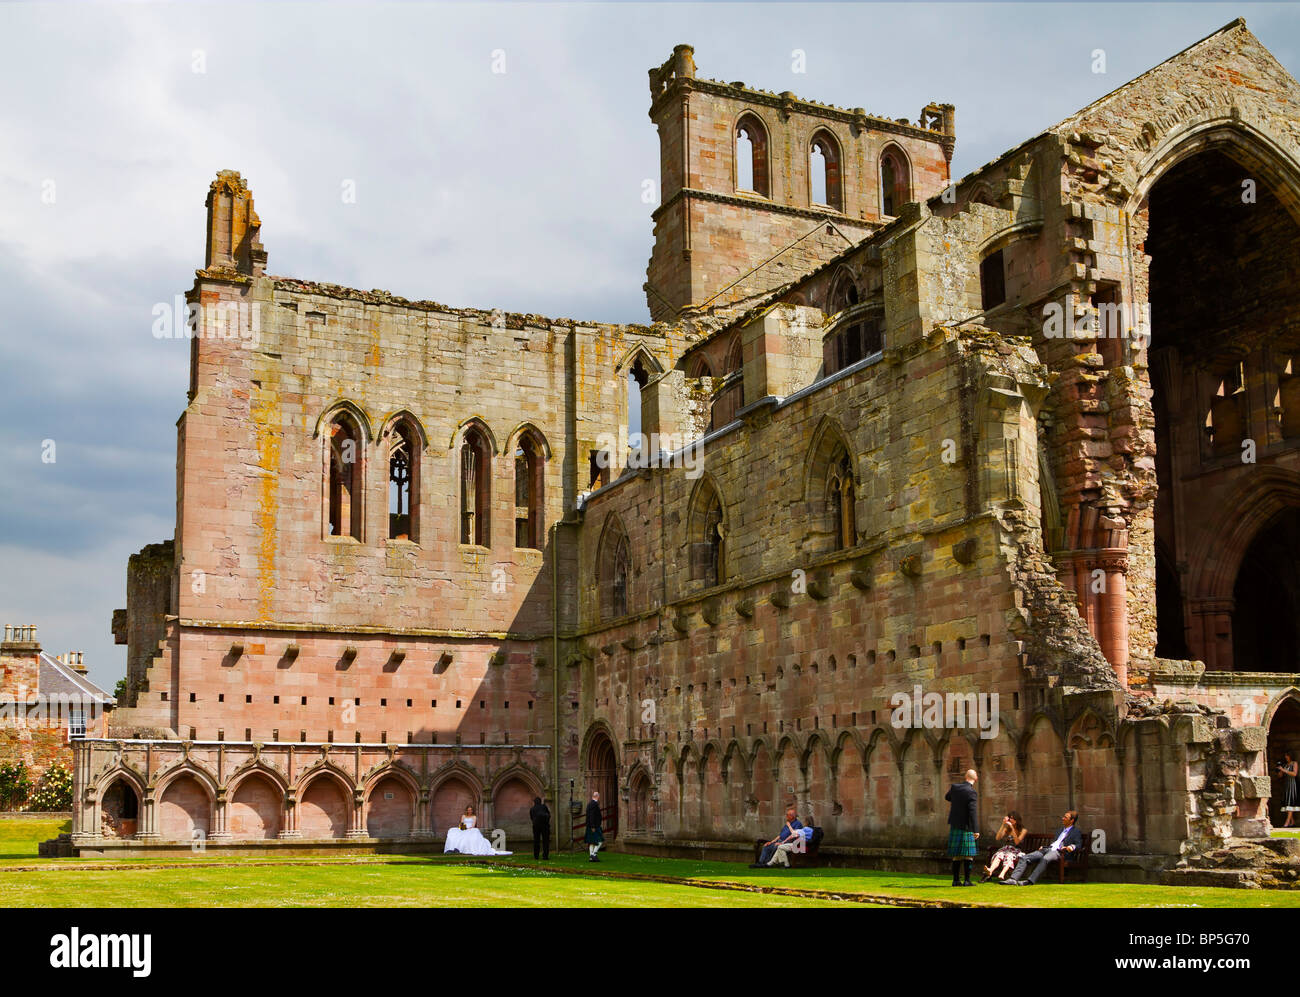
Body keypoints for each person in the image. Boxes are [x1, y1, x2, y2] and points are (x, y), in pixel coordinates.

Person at [1001, 810, 1082, 885]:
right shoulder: (1059, 830)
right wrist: (1044, 847)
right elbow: (1055, 843)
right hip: (1048, 849)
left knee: (1045, 859)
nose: (1063, 818)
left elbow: (1078, 844)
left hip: (1059, 852)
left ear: (1072, 820)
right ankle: (1013, 879)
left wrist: (1071, 847)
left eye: (1065, 817)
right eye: (1063, 816)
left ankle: (1030, 881)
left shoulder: (1076, 832)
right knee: (1025, 857)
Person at [944, 769, 979, 886]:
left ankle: (955, 880)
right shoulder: (972, 792)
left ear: (965, 777)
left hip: (955, 823)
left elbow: (947, 797)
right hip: (966, 826)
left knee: (957, 855)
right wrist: (976, 830)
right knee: (968, 854)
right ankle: (967, 881)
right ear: (976, 778)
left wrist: (957, 801)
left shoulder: (955, 787)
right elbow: (972, 812)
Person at [443, 804, 511, 856]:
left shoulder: (474, 816)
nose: (469, 811)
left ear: (472, 810)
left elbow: (473, 825)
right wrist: (463, 828)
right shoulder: (463, 816)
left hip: (471, 829)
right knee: (452, 832)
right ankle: (453, 849)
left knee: (474, 833)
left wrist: (468, 829)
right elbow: (461, 823)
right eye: (468, 810)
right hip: (464, 828)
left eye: (471, 810)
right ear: (467, 810)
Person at [982, 810, 1028, 882]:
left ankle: (1002, 874)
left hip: (1016, 851)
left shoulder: (1023, 830)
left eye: (1013, 818)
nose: (1011, 820)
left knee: (1008, 856)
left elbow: (1017, 842)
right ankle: (990, 870)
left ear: (1017, 819)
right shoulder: (1007, 829)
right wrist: (1003, 824)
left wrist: (1012, 828)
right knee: (999, 855)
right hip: (1006, 849)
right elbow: (997, 838)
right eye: (1010, 818)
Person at [1277, 752, 1299, 828]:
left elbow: (1294, 774)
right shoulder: (1285, 765)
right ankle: (1292, 821)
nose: (1286, 757)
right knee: (1286, 804)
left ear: (1290, 756)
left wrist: (1284, 770)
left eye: (1287, 755)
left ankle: (1286, 823)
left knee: (1290, 803)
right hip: (1286, 785)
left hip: (1293, 785)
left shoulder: (1294, 763)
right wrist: (1280, 770)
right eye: (1285, 755)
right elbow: (1280, 776)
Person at [585, 791, 604, 862]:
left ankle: (591, 857)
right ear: (597, 796)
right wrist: (593, 826)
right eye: (599, 796)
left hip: (590, 826)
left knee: (592, 842)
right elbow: (592, 816)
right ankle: (594, 854)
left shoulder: (589, 804)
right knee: (600, 841)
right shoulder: (594, 804)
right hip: (594, 826)